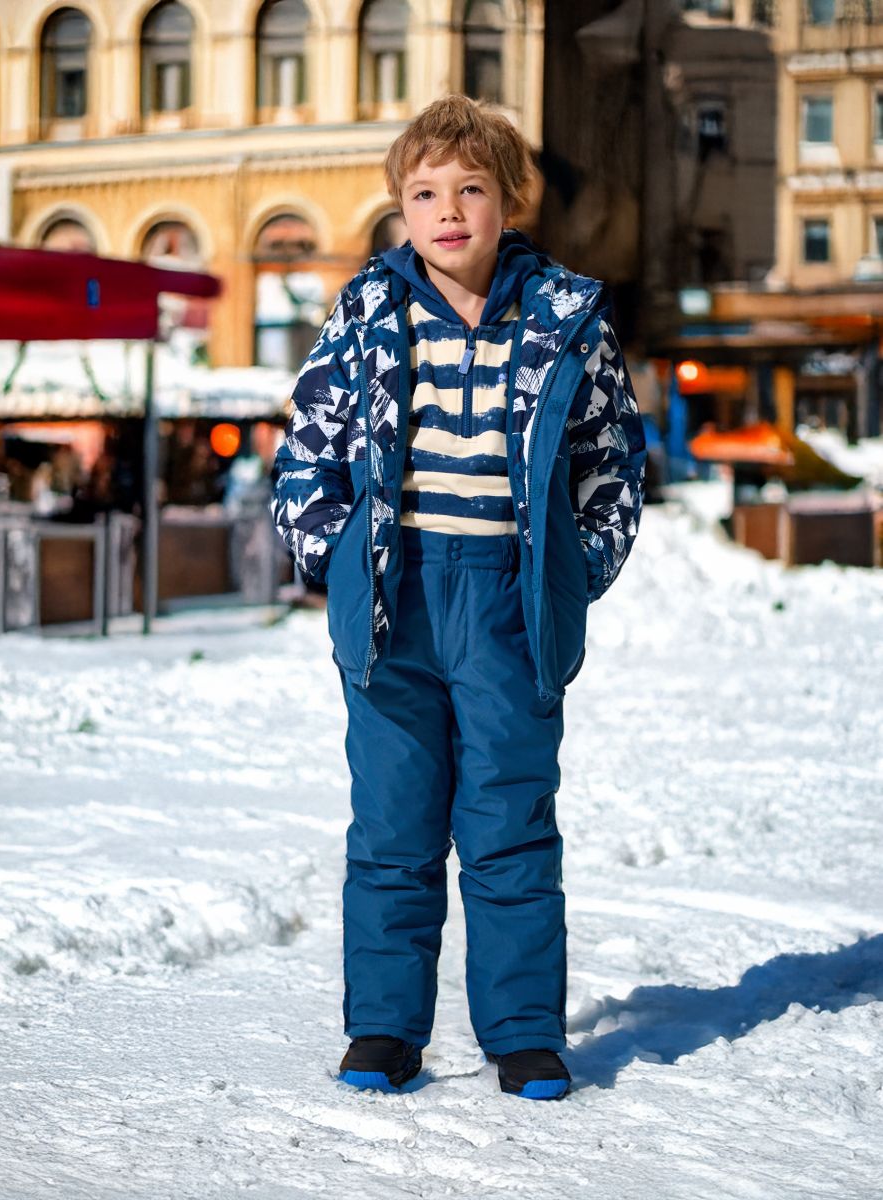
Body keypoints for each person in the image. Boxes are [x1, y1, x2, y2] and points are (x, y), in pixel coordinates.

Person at [271, 95, 646, 1101]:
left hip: (511, 607)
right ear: (400, 207)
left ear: (506, 200)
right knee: (391, 828)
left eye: (469, 189)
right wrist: (337, 556)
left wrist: (577, 568)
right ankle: (386, 1031)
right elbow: (308, 444)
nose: (447, 211)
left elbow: (612, 458)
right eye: (424, 192)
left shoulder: (565, 319)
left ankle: (524, 1032)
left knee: (510, 824)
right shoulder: (368, 311)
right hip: (397, 603)